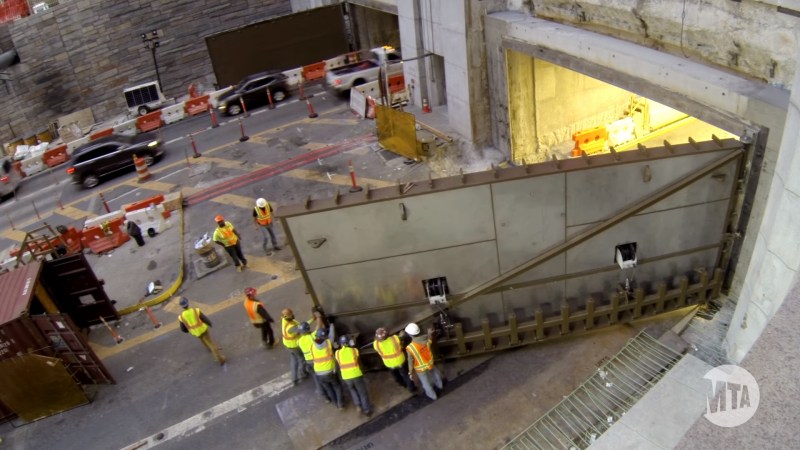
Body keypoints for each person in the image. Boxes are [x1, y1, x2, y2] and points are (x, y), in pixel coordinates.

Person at [281, 308, 324, 386]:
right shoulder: (290, 327)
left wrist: (312, 319)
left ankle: (294, 379)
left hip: (288, 345)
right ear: (287, 316)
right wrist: (315, 319)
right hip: (295, 346)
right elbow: (302, 329)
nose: (293, 315)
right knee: (302, 360)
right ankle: (303, 374)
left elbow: (301, 326)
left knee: (294, 360)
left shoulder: (285, 320)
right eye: (291, 314)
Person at [177, 297, 226, 365]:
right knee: (211, 343)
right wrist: (210, 324)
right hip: (203, 329)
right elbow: (204, 319)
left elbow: (183, 329)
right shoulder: (195, 310)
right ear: (188, 303)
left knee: (203, 340)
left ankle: (208, 348)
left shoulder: (181, 317)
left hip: (195, 332)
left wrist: (189, 330)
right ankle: (220, 359)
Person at [405, 322, 443, 400]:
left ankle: (432, 395)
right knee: (435, 374)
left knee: (426, 383)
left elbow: (410, 361)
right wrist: (429, 333)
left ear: (410, 334)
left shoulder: (410, 347)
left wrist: (410, 372)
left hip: (420, 368)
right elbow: (430, 339)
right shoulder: (426, 339)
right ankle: (440, 385)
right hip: (429, 363)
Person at [336, 335, 373, 416]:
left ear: (340, 344)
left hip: (346, 377)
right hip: (356, 375)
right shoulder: (354, 351)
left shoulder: (337, 353)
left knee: (353, 391)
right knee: (362, 392)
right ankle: (367, 410)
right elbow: (355, 352)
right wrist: (352, 344)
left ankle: (358, 405)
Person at [373, 327, 415, 392]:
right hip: (400, 361)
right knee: (406, 375)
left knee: (396, 376)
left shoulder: (376, 344)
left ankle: (403, 384)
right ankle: (412, 389)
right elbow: (401, 342)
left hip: (389, 364)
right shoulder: (395, 338)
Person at [311, 326, 343, 409]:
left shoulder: (312, 346)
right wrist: (332, 324)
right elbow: (332, 335)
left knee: (329, 389)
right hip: (330, 371)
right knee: (337, 386)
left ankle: (336, 404)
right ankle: (340, 404)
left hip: (319, 373)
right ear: (325, 337)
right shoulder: (328, 343)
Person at [297, 321, 325, 398]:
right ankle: (326, 390)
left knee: (316, 377)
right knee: (322, 375)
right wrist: (319, 318)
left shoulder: (299, 341)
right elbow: (318, 327)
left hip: (309, 362)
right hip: (316, 359)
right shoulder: (312, 336)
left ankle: (322, 393)